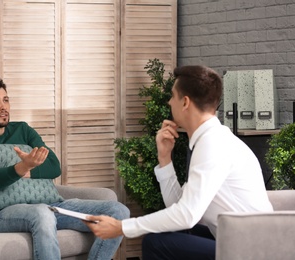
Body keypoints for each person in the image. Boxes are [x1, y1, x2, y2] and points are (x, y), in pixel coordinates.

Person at [84, 65, 274, 259]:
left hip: (252, 250)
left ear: (185, 102)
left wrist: (122, 227)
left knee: (155, 243)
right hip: (234, 239)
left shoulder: (213, 144)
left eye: (172, 96)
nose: (169, 102)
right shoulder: (210, 139)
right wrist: (165, 159)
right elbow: (179, 206)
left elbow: (187, 215)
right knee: (169, 233)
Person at [0, 76, 130, 260]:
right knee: (42, 213)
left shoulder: (23, 130)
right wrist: (23, 167)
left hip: (50, 206)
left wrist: (23, 171)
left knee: (119, 211)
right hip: (0, 215)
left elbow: (54, 167)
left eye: (5, 100)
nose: (3, 107)